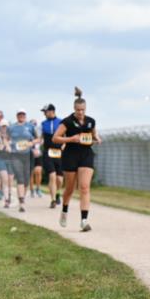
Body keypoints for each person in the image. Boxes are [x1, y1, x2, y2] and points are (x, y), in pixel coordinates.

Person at [52, 87, 100, 231]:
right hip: (70, 155)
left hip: (86, 154)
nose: (81, 112)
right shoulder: (67, 121)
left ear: (86, 109)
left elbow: (93, 136)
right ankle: (64, 210)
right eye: (78, 110)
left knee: (84, 187)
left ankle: (84, 221)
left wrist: (97, 139)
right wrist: (71, 138)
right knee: (70, 189)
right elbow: (55, 138)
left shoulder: (91, 121)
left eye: (83, 110)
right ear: (74, 108)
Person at [7, 109, 38, 212]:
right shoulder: (11, 127)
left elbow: (38, 139)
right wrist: (7, 146)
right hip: (15, 155)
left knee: (26, 180)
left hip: (28, 155)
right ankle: (21, 202)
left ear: (25, 115)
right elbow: (6, 139)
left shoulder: (30, 127)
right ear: (17, 116)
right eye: (19, 114)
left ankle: (22, 197)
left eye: (23, 114)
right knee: (20, 178)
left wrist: (31, 143)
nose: (21, 116)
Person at [40, 103, 64, 208]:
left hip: (60, 153)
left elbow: (67, 136)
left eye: (45, 112)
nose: (44, 114)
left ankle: (58, 193)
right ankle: (53, 200)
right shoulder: (43, 124)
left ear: (51, 111)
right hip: (48, 152)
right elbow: (40, 138)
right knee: (52, 176)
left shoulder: (61, 122)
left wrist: (65, 145)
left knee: (59, 179)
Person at [29, 118, 44, 198]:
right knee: (31, 173)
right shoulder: (28, 134)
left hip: (38, 155)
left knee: (38, 171)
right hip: (30, 155)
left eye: (35, 125)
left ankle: (38, 188)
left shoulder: (39, 134)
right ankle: (31, 190)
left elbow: (42, 142)